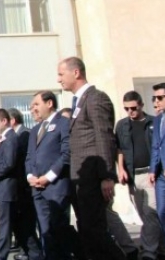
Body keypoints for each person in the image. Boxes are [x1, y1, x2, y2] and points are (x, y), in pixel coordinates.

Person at [57, 56, 125, 260]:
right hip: (82, 179)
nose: (59, 79)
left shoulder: (95, 98)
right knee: (87, 231)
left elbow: (104, 137)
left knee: (95, 231)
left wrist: (106, 176)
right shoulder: (78, 101)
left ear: (76, 72)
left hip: (93, 178)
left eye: (61, 74)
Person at [114, 90, 165, 260]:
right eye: (126, 109)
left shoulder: (154, 122)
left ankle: (148, 252)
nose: (130, 112)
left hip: (152, 175)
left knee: (151, 212)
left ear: (141, 105)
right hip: (133, 176)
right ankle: (164, 250)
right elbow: (119, 149)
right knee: (145, 216)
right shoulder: (122, 125)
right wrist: (121, 169)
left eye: (133, 108)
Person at [27, 91, 72, 260]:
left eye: (36, 104)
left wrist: (48, 177)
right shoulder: (35, 130)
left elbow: (66, 153)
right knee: (45, 232)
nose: (33, 109)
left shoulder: (63, 123)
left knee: (59, 230)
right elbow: (29, 157)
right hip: (37, 188)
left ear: (49, 103)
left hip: (56, 187)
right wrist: (30, 176)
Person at [8, 108, 41, 260]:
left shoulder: (24, 135)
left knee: (28, 221)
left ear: (12, 120)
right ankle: (28, 251)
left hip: (26, 185)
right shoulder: (17, 135)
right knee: (23, 222)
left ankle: (35, 253)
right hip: (20, 186)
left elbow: (23, 160)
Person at [0, 109, 19, 260]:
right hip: (3, 189)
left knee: (4, 226)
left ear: (4, 121)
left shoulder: (10, 138)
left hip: (7, 189)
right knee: (16, 226)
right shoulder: (3, 139)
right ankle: (35, 253)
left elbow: (8, 163)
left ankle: (1, 257)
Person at [150, 82, 165, 250]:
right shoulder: (158, 119)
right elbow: (156, 146)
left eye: (160, 97)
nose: (156, 101)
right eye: (154, 98)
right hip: (162, 174)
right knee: (162, 212)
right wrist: (152, 169)